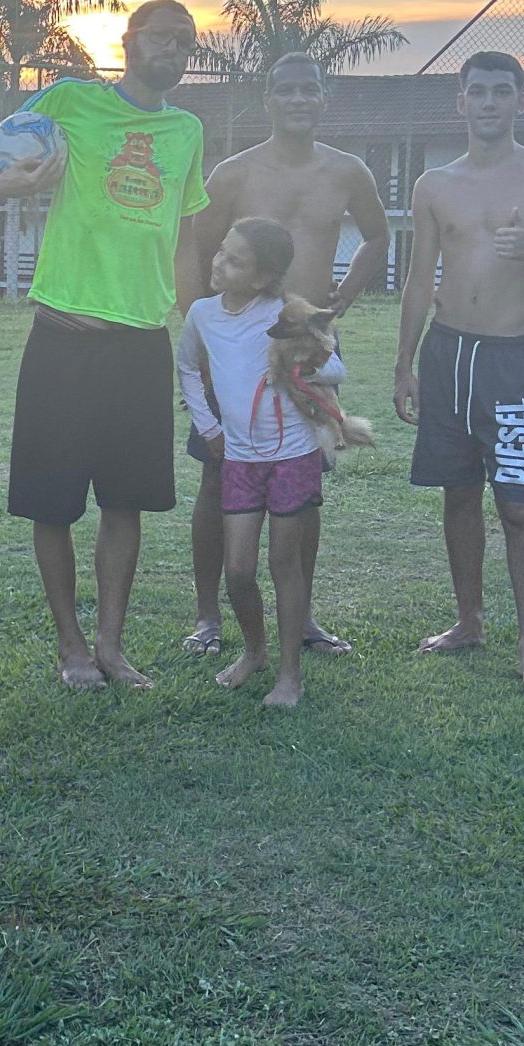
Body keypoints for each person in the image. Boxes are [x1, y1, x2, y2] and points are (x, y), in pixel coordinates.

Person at [0, 0, 207, 688]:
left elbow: (185, 240)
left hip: (141, 346)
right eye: (162, 37)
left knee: (125, 502)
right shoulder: (71, 100)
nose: (174, 50)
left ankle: (110, 644)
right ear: (128, 41)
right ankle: (70, 645)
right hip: (64, 339)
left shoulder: (187, 130)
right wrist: (8, 181)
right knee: (52, 502)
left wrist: (203, 332)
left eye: (186, 42)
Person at [393, 50, 524, 694]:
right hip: (448, 354)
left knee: (519, 506)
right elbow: (419, 278)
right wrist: (403, 362)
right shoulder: (434, 184)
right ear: (461, 102)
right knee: (458, 494)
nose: (488, 102)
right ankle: (469, 621)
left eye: (501, 92)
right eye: (477, 91)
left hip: (511, 359)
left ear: (520, 102)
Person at [184, 52, 390, 657]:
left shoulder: (348, 170)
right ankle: (207, 616)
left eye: (310, 90)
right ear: (267, 100)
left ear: (324, 98)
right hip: (236, 344)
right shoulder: (233, 174)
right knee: (218, 471)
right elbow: (198, 253)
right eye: (286, 90)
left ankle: (302, 618)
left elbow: (378, 235)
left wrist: (345, 295)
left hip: (306, 346)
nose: (299, 100)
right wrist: (207, 339)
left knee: (306, 480)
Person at [177, 217, 340, 710]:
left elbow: (336, 366)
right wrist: (208, 427)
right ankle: (255, 651)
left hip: (293, 455)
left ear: (263, 277)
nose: (219, 264)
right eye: (221, 252)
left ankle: (290, 676)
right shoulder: (202, 314)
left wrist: (301, 366)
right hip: (240, 458)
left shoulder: (286, 315)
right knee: (239, 570)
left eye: (235, 261)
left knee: (283, 563)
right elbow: (187, 366)